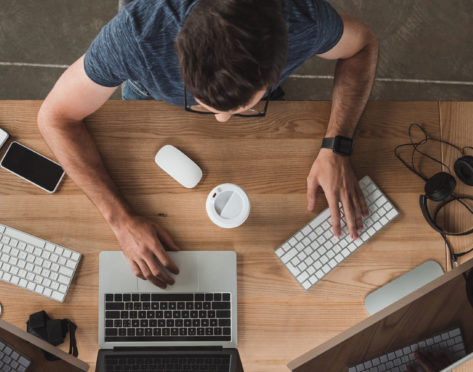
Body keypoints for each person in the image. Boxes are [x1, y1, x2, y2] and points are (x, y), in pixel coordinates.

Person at [37, 0, 378, 289]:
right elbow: (54, 117)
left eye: (242, 108)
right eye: (203, 105)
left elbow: (363, 45)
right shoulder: (136, 37)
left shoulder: (305, 20)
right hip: (147, 94)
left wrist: (337, 145)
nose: (221, 121)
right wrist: (120, 221)